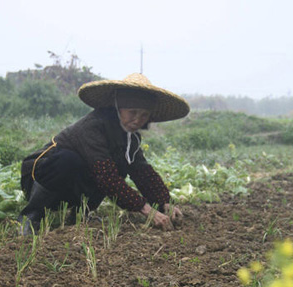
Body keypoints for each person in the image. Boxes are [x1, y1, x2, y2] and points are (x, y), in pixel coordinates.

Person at [18, 73, 190, 234]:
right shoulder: (94, 127)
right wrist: (146, 210)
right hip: (41, 177)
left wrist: (164, 202)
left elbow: (141, 171)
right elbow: (107, 178)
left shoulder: (131, 138)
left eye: (144, 115)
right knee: (69, 160)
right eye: (132, 112)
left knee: (118, 164)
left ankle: (80, 214)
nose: (137, 120)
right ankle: (32, 214)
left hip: (73, 185)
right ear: (118, 107)